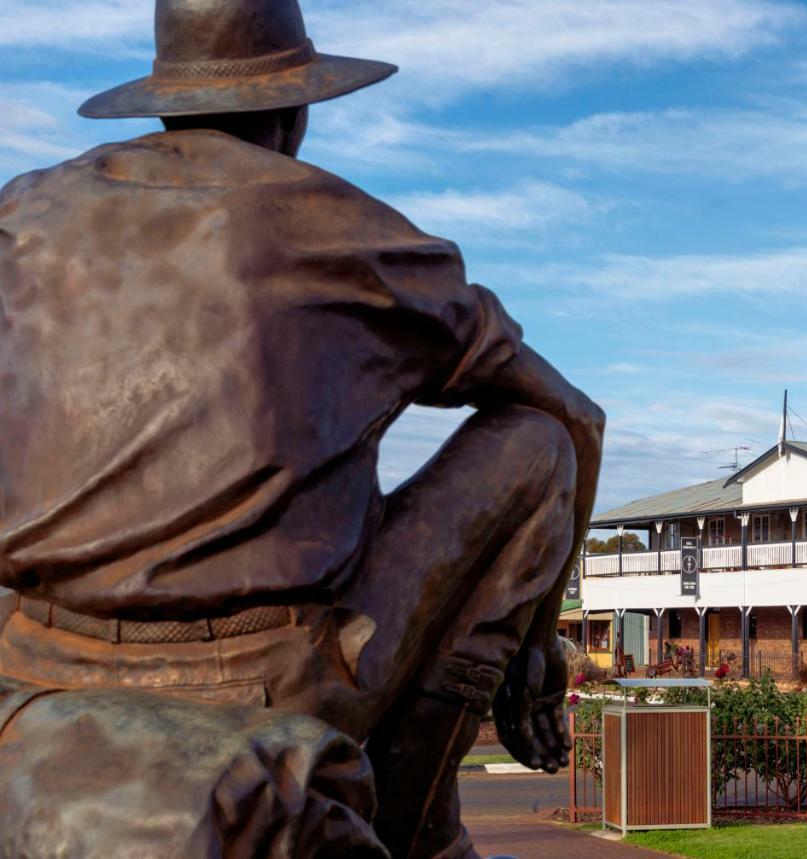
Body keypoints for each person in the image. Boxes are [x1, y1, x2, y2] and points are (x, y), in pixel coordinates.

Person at [0, 1, 604, 856]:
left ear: (165, 98)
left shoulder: (22, 214)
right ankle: (420, 833)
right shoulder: (330, 222)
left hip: (29, 659)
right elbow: (576, 415)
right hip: (258, 679)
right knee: (537, 448)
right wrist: (538, 655)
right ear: (296, 111)